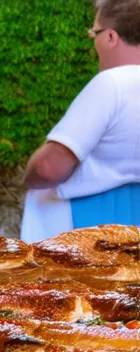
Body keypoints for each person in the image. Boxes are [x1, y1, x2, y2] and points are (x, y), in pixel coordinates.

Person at [20, 0, 140, 242]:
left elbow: (48, 168)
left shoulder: (112, 84)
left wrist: (29, 177)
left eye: (94, 32)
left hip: (85, 228)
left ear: (110, 37)